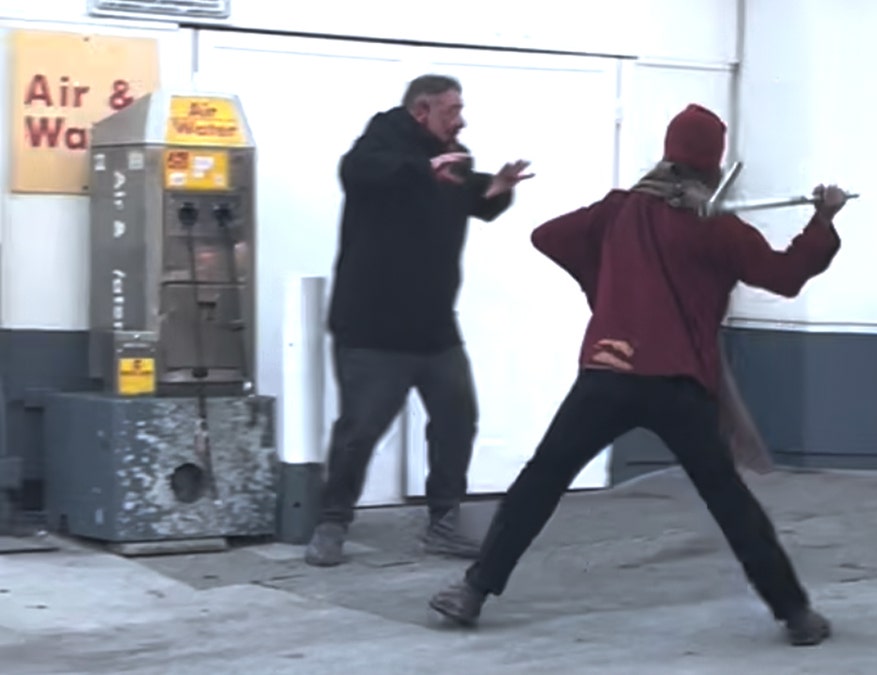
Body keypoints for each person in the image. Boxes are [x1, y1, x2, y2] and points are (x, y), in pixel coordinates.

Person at [428, 103, 847, 646]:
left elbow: (549, 236)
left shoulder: (620, 210)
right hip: (680, 385)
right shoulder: (718, 227)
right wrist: (824, 219)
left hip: (608, 371)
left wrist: (608, 288)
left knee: (541, 479)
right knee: (729, 501)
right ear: (713, 165)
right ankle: (796, 615)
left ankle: (473, 592)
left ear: (668, 154)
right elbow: (786, 276)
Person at [305, 74, 534, 567]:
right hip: (371, 327)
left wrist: (497, 189)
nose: (461, 119)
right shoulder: (378, 147)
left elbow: (476, 199)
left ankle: (444, 523)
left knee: (457, 420)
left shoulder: (454, 158)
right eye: (452, 111)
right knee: (360, 431)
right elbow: (361, 173)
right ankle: (332, 523)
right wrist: (422, 171)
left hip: (434, 326)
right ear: (420, 112)